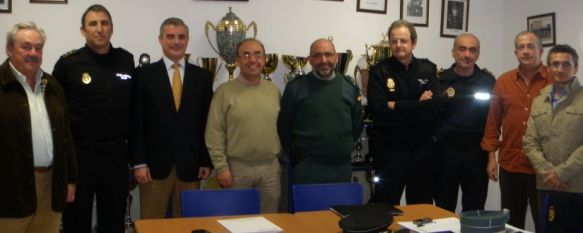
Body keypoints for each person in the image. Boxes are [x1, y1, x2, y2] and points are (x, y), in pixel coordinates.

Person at [52, 4, 134, 233]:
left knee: (113, 222)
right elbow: (57, 116)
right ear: (83, 30)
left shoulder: (126, 60)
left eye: (104, 23)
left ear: (112, 28)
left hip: (116, 156)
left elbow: (132, 108)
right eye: (93, 24)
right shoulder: (68, 64)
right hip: (80, 157)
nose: (99, 29)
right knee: (76, 222)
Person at [130, 17, 213, 218]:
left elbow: (207, 123)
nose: (176, 42)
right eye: (170, 37)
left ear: (187, 40)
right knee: (152, 224)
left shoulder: (202, 77)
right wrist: (139, 163)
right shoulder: (143, 75)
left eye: (181, 37)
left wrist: (205, 161)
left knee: (187, 223)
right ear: (160, 39)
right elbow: (136, 121)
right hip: (153, 168)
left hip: (191, 166)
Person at [0, 21, 77, 233]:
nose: (33, 53)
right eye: (26, 47)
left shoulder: (52, 85)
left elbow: (66, 136)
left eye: (38, 47)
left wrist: (70, 180)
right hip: (9, 190)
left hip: (51, 187)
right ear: (9, 49)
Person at [481, 31, 552, 231]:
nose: (526, 51)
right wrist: (491, 157)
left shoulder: (555, 80)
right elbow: (493, 121)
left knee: (545, 222)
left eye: (531, 46)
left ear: (541, 50)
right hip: (511, 164)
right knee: (512, 224)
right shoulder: (503, 81)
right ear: (515, 52)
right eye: (521, 47)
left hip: (545, 167)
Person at [367, 20, 441, 205]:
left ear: (413, 43)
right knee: (384, 207)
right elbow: (379, 114)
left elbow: (432, 111)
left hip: (422, 152)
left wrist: (395, 105)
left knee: (421, 211)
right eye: (394, 40)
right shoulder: (378, 72)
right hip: (390, 153)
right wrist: (418, 105)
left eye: (403, 40)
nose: (398, 45)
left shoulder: (428, 69)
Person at [205, 38, 281, 213]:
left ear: (264, 59)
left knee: (269, 221)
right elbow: (214, 133)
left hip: (270, 170)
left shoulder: (274, 91)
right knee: (236, 222)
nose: (252, 60)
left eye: (257, 54)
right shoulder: (224, 92)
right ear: (238, 61)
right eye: (246, 55)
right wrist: (221, 167)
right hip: (236, 170)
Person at [277, 38, 362, 185]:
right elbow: (284, 126)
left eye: (328, 54)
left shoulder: (349, 87)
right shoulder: (295, 88)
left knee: (340, 208)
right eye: (317, 55)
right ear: (310, 60)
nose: (323, 60)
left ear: (336, 57)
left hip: (341, 168)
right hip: (307, 168)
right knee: (309, 208)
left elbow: (357, 125)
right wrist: (296, 155)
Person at [523, 44, 583, 233]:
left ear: (576, 68)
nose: (560, 69)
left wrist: (561, 174)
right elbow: (530, 142)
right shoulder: (539, 100)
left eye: (566, 64)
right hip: (546, 185)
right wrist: (549, 174)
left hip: (577, 187)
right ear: (548, 68)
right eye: (555, 64)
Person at [434, 33, 495, 212]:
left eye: (472, 50)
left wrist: (492, 158)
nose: (467, 55)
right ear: (453, 52)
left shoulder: (488, 81)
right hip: (445, 155)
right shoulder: (440, 80)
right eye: (462, 49)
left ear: (478, 54)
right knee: (443, 209)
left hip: (476, 155)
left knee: (475, 210)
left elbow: (492, 122)